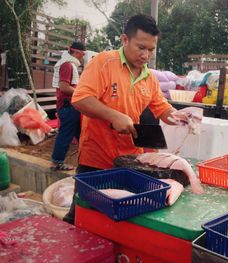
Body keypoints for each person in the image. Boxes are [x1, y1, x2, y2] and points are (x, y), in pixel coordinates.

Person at [63, 14, 183, 224]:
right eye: (141, 47)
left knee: (119, 219)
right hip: (96, 160)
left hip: (130, 163)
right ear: (125, 40)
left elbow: (161, 107)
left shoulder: (149, 78)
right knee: (82, 217)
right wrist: (113, 115)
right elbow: (80, 99)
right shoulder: (104, 62)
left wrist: (179, 117)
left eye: (151, 50)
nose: (146, 55)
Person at [50, 42, 86, 171]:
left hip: (71, 106)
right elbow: (64, 87)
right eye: (82, 54)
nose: (82, 58)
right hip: (68, 106)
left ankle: (86, 162)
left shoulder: (68, 64)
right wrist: (83, 94)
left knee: (81, 134)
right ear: (76, 53)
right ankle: (57, 162)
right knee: (66, 134)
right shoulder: (67, 65)